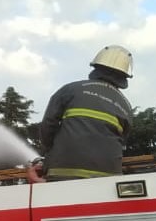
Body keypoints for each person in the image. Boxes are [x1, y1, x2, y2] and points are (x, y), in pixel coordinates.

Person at [31, 45, 134, 182]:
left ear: (96, 67)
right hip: (108, 177)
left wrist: (48, 154)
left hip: (62, 172)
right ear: (124, 77)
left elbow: (48, 126)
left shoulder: (70, 89)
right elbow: (122, 142)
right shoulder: (126, 106)